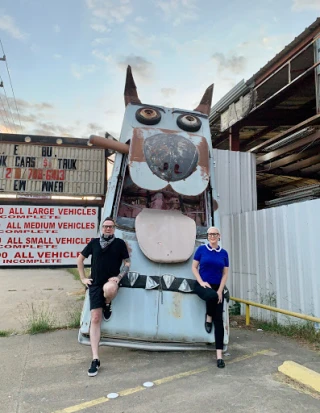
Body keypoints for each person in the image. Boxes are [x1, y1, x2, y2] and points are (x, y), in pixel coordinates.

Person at [77, 217, 130, 377]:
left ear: (114, 229)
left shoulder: (120, 243)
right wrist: (83, 278)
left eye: (111, 227)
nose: (108, 229)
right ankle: (95, 358)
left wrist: (119, 277)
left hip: (110, 282)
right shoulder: (94, 243)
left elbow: (127, 263)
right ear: (102, 228)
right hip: (95, 283)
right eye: (106, 226)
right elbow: (80, 259)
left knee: (110, 288)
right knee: (95, 318)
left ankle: (107, 302)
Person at [192, 227, 229, 368]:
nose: (212, 236)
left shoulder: (224, 253)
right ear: (207, 236)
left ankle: (219, 356)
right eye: (209, 234)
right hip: (202, 285)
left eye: (214, 234)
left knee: (219, 320)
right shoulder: (201, 250)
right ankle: (208, 315)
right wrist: (201, 282)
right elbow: (194, 267)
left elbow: (225, 274)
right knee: (212, 296)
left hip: (216, 287)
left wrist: (220, 290)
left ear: (219, 236)